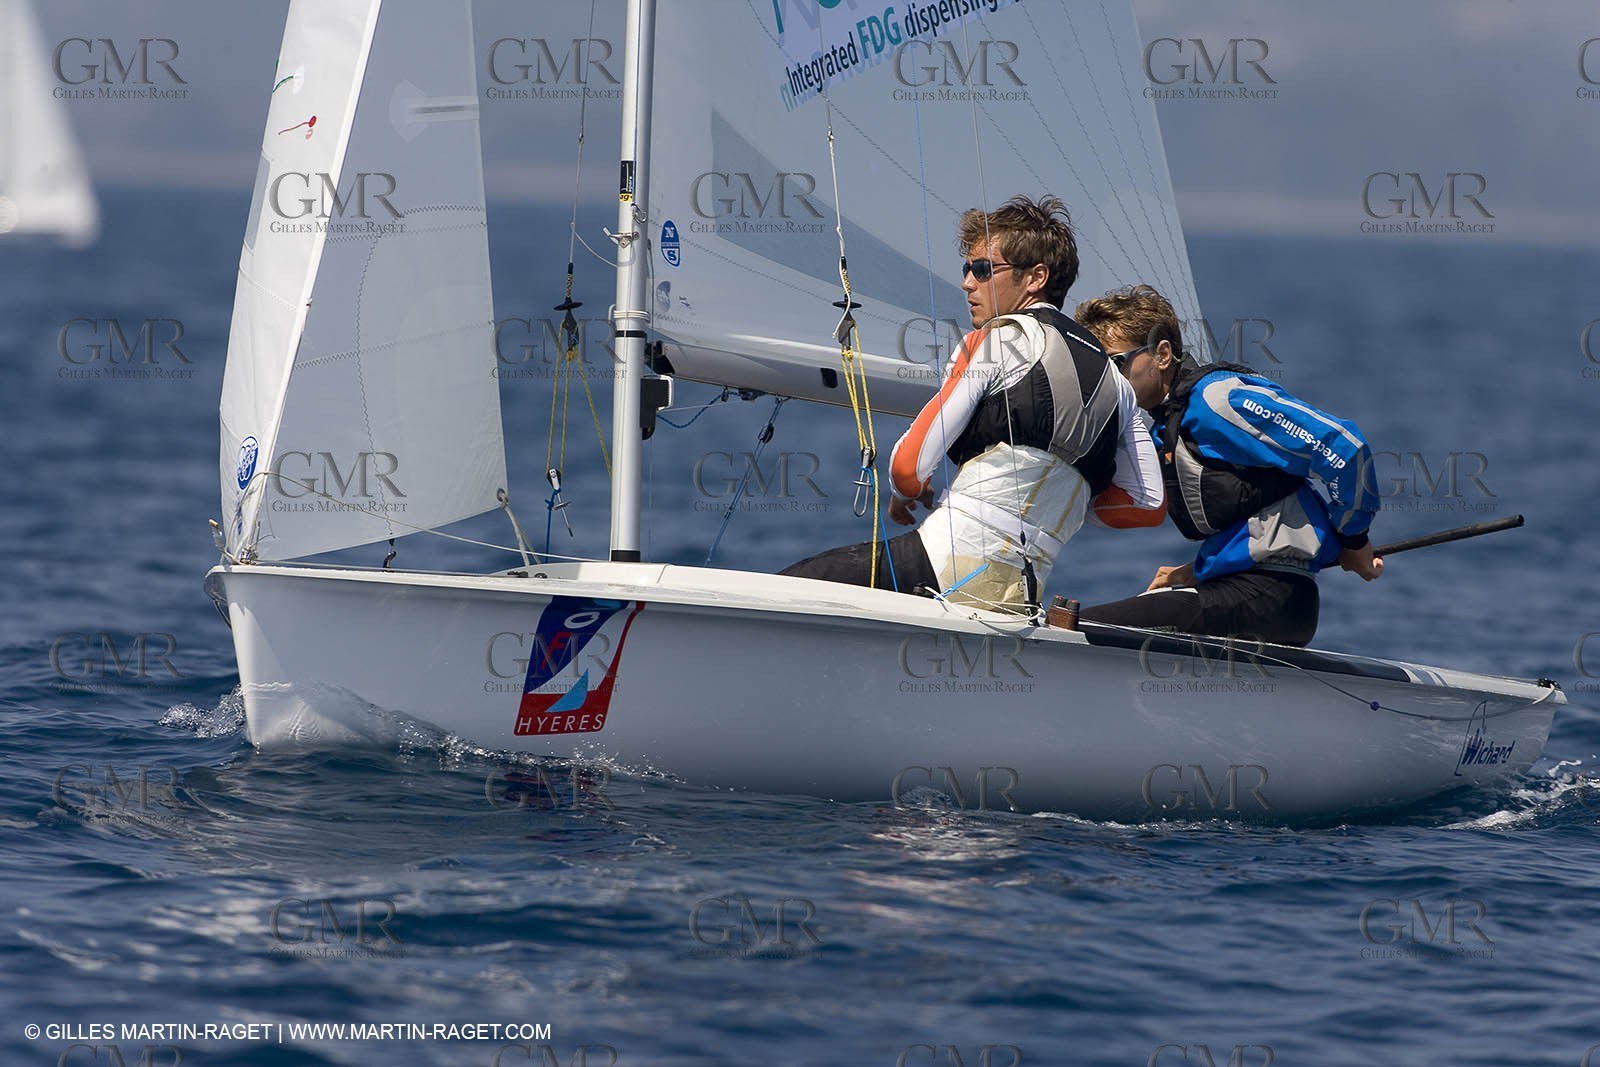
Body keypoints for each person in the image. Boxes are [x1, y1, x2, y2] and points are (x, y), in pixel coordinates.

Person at [780, 196, 1164, 613]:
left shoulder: (996, 340)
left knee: (784, 592)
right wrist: (1063, 501)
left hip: (943, 564)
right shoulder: (1119, 384)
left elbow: (908, 467)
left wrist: (905, 492)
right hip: (1018, 598)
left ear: (1035, 277)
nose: (967, 282)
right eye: (967, 269)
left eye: (983, 269)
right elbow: (1147, 504)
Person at [1072, 284, 1382, 646]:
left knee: (1068, 627)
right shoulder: (1169, 425)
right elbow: (1249, 512)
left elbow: (1344, 448)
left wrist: (1354, 539)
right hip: (1239, 591)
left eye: (1115, 362)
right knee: (1106, 616)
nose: (1107, 379)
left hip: (1272, 599)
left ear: (1162, 354)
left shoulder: (1218, 399)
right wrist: (1199, 571)